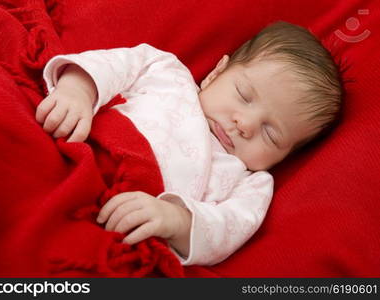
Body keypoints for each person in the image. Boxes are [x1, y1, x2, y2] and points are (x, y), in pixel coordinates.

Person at [36, 21, 342, 265]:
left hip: (113, 222)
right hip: (71, 152)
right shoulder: (170, 75)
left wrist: (176, 220)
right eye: (244, 95)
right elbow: (116, 64)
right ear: (216, 74)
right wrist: (78, 90)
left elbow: (228, 227)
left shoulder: (250, 184)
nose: (245, 124)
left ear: (285, 157)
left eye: (271, 134)